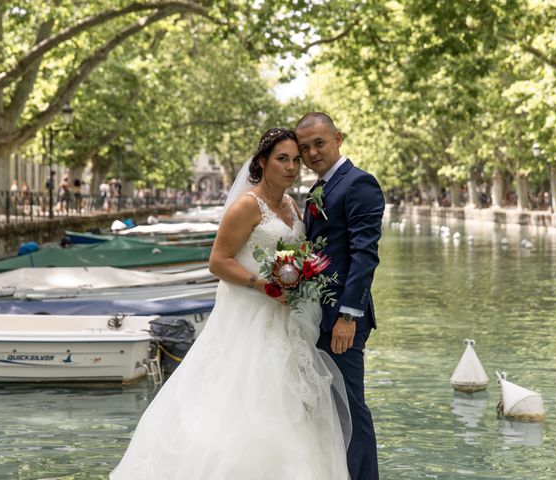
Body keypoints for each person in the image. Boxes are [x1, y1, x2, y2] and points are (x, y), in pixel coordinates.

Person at [110, 128, 351, 479]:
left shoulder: (291, 206)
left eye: (296, 160)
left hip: (289, 320)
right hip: (251, 318)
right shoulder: (246, 205)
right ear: (262, 163)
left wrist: (301, 277)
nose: (291, 167)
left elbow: (296, 256)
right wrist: (262, 284)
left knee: (293, 410)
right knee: (246, 406)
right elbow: (218, 261)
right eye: (282, 159)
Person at [296, 112, 384, 480]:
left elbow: (365, 255)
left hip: (342, 320)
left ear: (338, 138)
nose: (313, 152)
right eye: (305, 148)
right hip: (317, 316)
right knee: (329, 409)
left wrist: (348, 316)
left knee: (350, 407)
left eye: (319, 143)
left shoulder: (359, 183)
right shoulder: (321, 186)